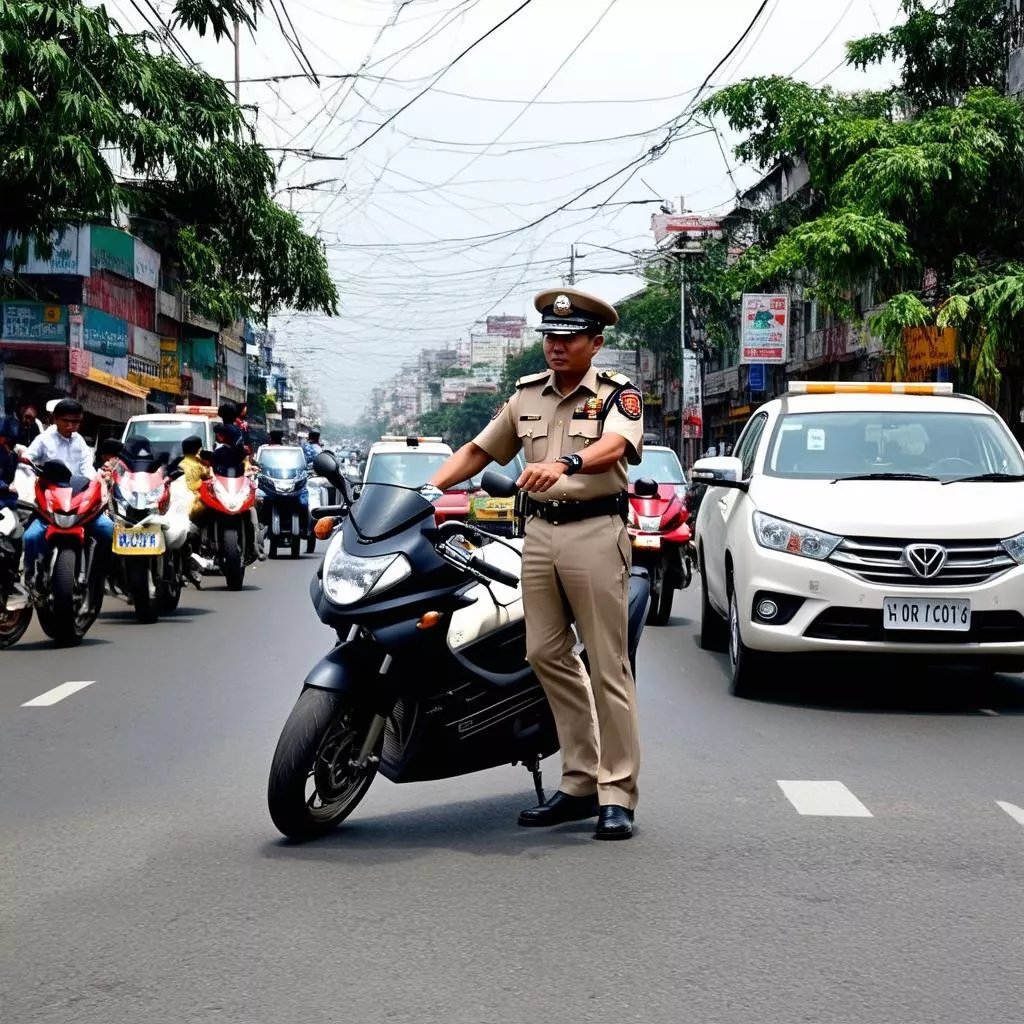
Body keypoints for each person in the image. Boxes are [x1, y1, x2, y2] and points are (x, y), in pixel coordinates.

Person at [426, 287, 644, 840]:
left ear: (595, 343)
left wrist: (567, 460)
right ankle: (579, 782)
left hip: (597, 531)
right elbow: (479, 451)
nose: (556, 345)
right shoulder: (525, 396)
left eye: (569, 338)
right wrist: (429, 490)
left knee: (606, 665)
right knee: (544, 653)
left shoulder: (619, 395)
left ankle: (616, 792)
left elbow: (616, 446)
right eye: (549, 336)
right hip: (539, 535)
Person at [22, 398, 114, 585]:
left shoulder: (80, 442)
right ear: (55, 419)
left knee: (109, 530)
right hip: (50, 501)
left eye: (76, 422)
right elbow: (27, 460)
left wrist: (97, 481)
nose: (71, 426)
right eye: (66, 421)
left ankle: (102, 571)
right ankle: (32, 573)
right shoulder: (43, 440)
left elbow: (87, 469)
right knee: (30, 537)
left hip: (78, 499)